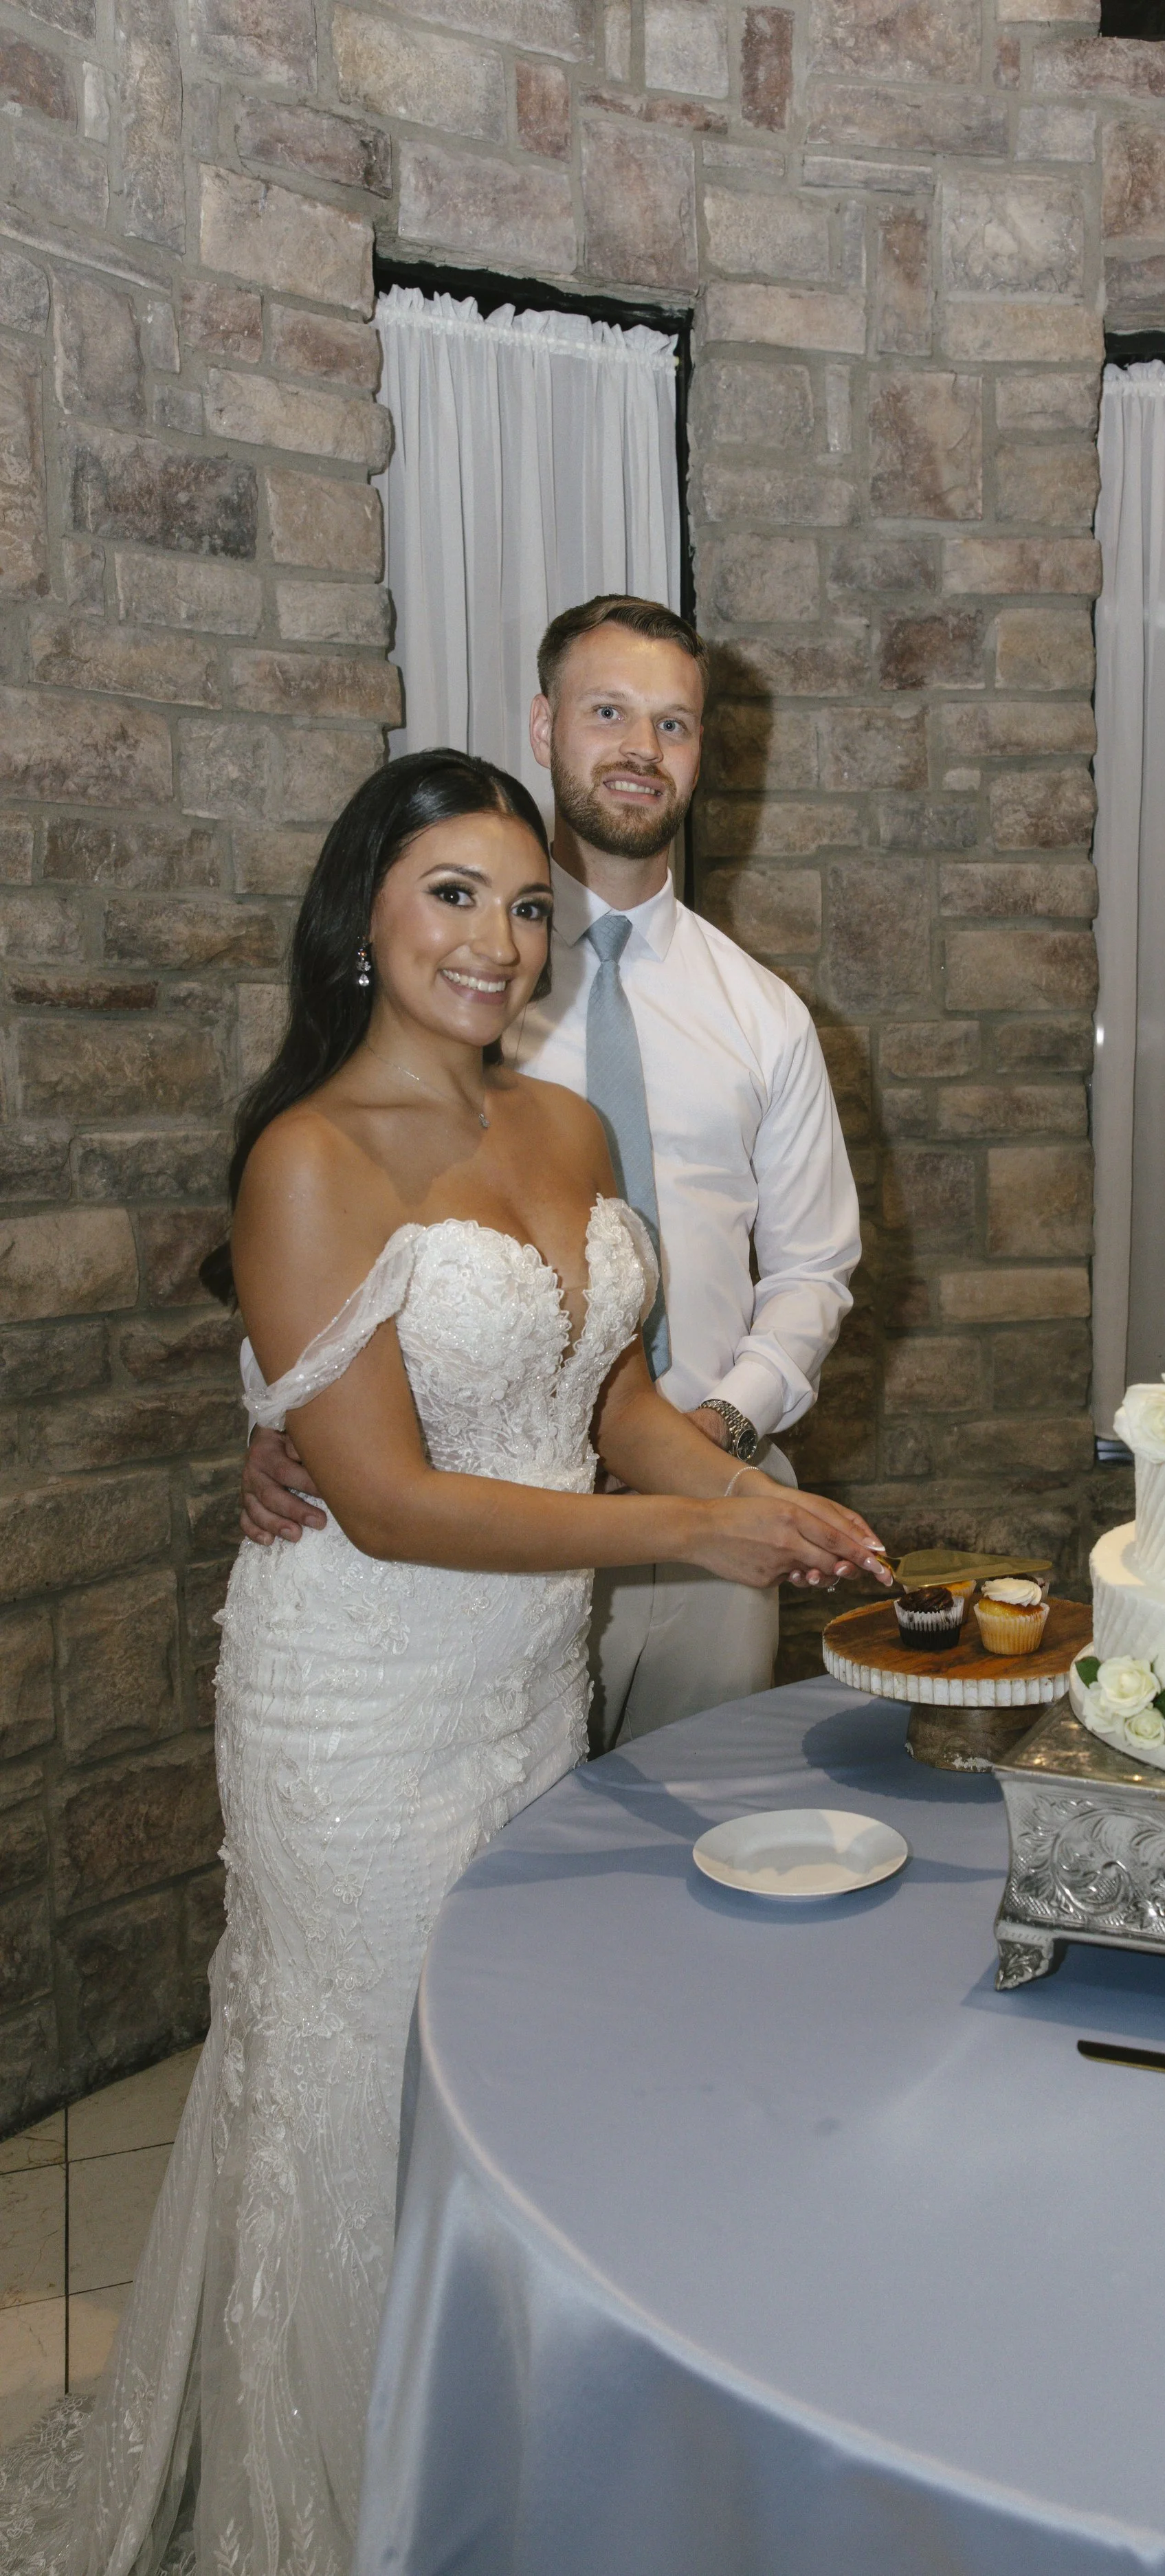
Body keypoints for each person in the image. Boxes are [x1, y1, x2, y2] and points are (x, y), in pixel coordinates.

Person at [9, 750, 886, 2576]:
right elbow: (395, 1501)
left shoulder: (563, 1132)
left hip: (516, 1696)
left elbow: (610, 1401)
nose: (499, 939)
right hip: (356, 1702)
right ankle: (346, 2505)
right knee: (361, 2097)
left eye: (526, 902)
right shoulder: (308, 1160)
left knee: (496, 2074)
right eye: (454, 895)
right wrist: (688, 1535)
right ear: (365, 916)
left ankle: (496, 2461)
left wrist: (759, 1501)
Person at [239, 595, 863, 1751]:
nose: (638, 748)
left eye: (671, 725)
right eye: (607, 712)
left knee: (676, 1850)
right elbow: (332, 1250)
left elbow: (815, 1267)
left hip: (696, 1467)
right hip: (436, 1563)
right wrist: (298, 1419)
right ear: (545, 727)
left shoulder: (761, 1020)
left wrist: (730, 1461)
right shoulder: (457, 1001)